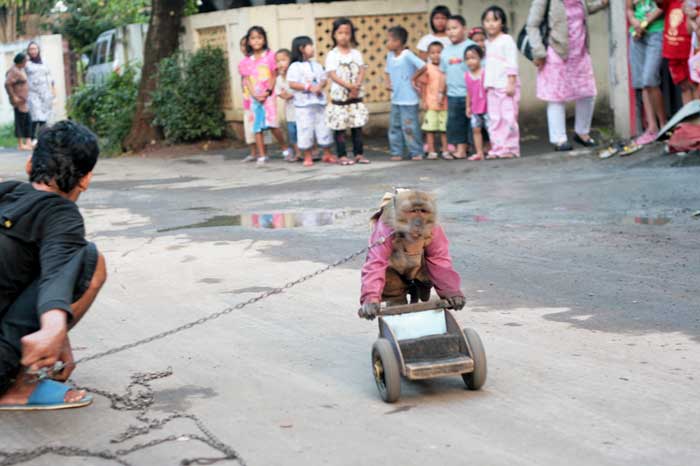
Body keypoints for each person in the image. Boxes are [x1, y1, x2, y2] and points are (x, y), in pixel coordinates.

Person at [0, 120, 106, 411]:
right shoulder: (62, 215)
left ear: (30, 164)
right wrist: (53, 329)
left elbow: (51, 270)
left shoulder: (8, 193)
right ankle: (21, 388)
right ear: (85, 179)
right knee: (90, 260)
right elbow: (60, 273)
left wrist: (60, 337)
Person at [526, 0, 609, 151]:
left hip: (580, 52)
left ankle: (582, 133)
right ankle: (559, 140)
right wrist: (538, 51)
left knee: (588, 93)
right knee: (557, 97)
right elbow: (532, 25)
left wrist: (601, 4)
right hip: (557, 52)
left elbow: (584, 9)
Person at [237, 26, 290, 165]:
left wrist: (267, 92)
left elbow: (273, 75)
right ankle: (262, 155)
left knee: (272, 124)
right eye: (253, 38)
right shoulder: (246, 61)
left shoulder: (271, 56)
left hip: (268, 96)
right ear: (248, 41)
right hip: (253, 98)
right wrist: (254, 95)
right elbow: (247, 79)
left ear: (264, 39)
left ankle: (285, 148)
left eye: (259, 37)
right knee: (257, 126)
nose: (256, 41)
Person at [325, 17, 370, 165]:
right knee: (340, 128)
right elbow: (332, 74)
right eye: (340, 33)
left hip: (355, 95)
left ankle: (359, 154)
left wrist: (356, 85)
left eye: (347, 32)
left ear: (351, 34)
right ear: (334, 35)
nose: (344, 36)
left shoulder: (356, 53)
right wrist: (348, 86)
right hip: (340, 97)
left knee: (357, 126)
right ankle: (342, 155)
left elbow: (362, 70)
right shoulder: (333, 54)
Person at [287, 36, 336, 167]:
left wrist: (320, 86)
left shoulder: (317, 65)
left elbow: (323, 79)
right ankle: (307, 156)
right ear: (302, 48)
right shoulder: (294, 67)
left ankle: (327, 153)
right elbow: (292, 83)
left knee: (324, 128)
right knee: (305, 129)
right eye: (310, 45)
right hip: (303, 106)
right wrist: (308, 87)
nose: (313, 48)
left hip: (319, 103)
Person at [627, 0, 667, 145]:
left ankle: (664, 125)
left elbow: (662, 6)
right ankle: (652, 127)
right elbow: (629, 9)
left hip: (656, 32)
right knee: (642, 82)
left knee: (650, 79)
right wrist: (634, 22)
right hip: (636, 36)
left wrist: (643, 24)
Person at [482, 6, 520, 159]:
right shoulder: (487, 43)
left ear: (502, 23)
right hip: (491, 86)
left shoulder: (507, 40)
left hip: (505, 86)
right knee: (494, 119)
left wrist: (511, 82)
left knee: (508, 118)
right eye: (487, 20)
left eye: (495, 20)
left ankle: (510, 148)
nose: (491, 24)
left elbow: (512, 62)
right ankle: (497, 148)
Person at [384, 26, 425, 161]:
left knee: (409, 127)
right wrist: (388, 82)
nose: (387, 43)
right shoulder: (390, 56)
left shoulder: (407, 54)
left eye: (389, 40)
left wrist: (413, 77)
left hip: (408, 99)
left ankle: (416, 152)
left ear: (398, 41)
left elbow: (423, 66)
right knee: (395, 127)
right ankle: (397, 152)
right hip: (396, 98)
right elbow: (387, 71)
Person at [440, 15, 476, 159]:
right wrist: (440, 92)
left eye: (455, 28)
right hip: (453, 94)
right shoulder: (445, 52)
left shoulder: (471, 47)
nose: (451, 32)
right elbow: (443, 74)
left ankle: (480, 147)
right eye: (448, 29)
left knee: (474, 123)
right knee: (456, 123)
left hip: (471, 93)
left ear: (464, 29)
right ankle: (461, 150)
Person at [415, 41, 451, 160]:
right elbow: (423, 86)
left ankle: (445, 150)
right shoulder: (427, 68)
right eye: (432, 53)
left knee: (444, 130)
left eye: (439, 52)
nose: (436, 55)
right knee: (429, 130)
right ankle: (431, 151)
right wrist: (424, 100)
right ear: (428, 54)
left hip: (445, 105)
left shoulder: (446, 68)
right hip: (431, 104)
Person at [660, 0, 695, 104]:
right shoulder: (670, 2)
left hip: (689, 54)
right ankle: (689, 117)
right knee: (684, 87)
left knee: (695, 87)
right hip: (673, 53)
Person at [25, 41, 55, 143]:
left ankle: (42, 137)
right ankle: (33, 138)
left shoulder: (44, 62)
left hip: (45, 92)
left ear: (38, 50)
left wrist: (53, 90)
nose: (33, 51)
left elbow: (50, 77)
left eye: (35, 49)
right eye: (31, 49)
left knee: (44, 115)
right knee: (35, 115)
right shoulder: (26, 64)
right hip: (33, 93)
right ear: (28, 51)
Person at [275, 49, 300, 162]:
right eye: (278, 61)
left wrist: (290, 94)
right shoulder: (279, 79)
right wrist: (286, 95)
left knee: (302, 132)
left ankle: (309, 151)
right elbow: (279, 93)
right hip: (290, 112)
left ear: (290, 61)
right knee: (292, 133)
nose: (280, 63)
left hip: (300, 110)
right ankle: (298, 153)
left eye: (283, 60)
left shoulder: (295, 75)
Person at [465, 45, 488, 161]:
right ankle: (479, 153)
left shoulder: (485, 73)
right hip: (475, 108)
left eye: (473, 58)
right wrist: (467, 107)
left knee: (491, 129)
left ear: (481, 58)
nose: (470, 61)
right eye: (467, 58)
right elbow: (468, 92)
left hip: (488, 107)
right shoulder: (467, 75)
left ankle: (496, 149)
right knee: (476, 130)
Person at [4, 53, 32, 151]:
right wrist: (13, 96)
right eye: (25, 61)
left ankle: (28, 143)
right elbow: (7, 84)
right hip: (18, 101)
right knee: (20, 121)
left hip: (24, 100)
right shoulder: (13, 71)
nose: (26, 63)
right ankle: (20, 144)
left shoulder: (20, 70)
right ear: (21, 61)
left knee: (27, 120)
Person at [239, 36, 258, 163]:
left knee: (261, 127)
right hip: (247, 102)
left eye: (246, 45)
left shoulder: (257, 61)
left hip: (259, 100)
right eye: (242, 45)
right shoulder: (243, 63)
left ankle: (263, 151)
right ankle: (253, 152)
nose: (244, 48)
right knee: (249, 128)